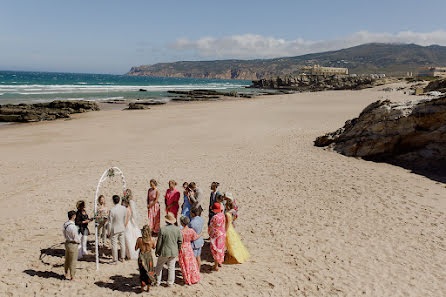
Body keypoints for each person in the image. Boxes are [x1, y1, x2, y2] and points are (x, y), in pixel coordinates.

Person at [155, 213, 183, 287]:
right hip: (173, 251)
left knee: (159, 267)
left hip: (164, 251)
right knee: (171, 267)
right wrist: (178, 249)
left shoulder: (163, 229)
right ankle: (170, 282)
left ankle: (157, 281)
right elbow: (180, 241)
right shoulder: (177, 229)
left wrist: (157, 251)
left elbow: (159, 242)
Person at [178, 216, 201, 285]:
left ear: (182, 223)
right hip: (189, 247)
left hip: (182, 248)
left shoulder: (180, 232)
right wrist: (200, 235)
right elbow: (195, 237)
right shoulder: (191, 230)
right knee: (191, 263)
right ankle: (193, 277)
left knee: (184, 263)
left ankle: (187, 278)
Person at [135, 225, 157, 292]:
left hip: (142, 255)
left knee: (142, 272)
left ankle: (142, 287)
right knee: (149, 272)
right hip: (149, 256)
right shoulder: (152, 239)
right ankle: (148, 287)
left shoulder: (139, 239)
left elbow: (136, 248)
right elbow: (154, 247)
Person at [122, 189, 142, 260]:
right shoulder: (123, 202)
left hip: (129, 221)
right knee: (127, 238)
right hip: (126, 219)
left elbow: (133, 213)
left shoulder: (131, 202)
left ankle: (130, 253)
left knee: (129, 237)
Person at [108, 195, 127, 264]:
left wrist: (109, 231)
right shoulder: (123, 208)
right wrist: (124, 225)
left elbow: (110, 222)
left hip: (115, 228)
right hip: (122, 227)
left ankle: (115, 259)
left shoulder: (112, 210)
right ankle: (122, 257)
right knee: (122, 244)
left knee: (114, 245)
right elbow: (125, 218)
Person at [63, 210, 81, 280]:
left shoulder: (65, 224)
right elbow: (75, 237)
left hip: (67, 242)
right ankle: (72, 276)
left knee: (67, 259)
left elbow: (64, 233)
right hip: (73, 244)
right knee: (73, 260)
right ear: (73, 217)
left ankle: (66, 272)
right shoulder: (73, 227)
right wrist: (78, 241)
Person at [208, 203, 226, 271]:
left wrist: (209, 233)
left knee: (215, 250)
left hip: (216, 234)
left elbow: (211, 226)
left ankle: (215, 266)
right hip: (222, 233)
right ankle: (220, 262)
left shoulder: (214, 217)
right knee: (221, 249)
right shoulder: (222, 215)